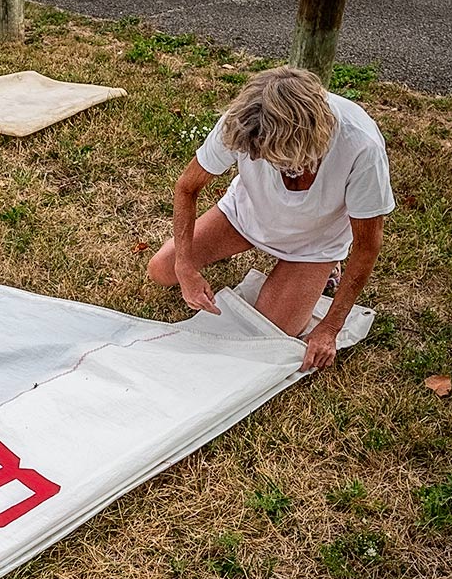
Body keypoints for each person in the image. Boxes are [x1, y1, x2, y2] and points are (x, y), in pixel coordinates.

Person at [145, 65, 393, 370]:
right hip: (246, 216)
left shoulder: (362, 146)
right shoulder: (243, 121)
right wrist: (185, 266)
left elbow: (367, 246)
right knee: (161, 269)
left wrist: (330, 328)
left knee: (271, 334)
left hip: (314, 243)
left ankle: (325, 268)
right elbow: (187, 187)